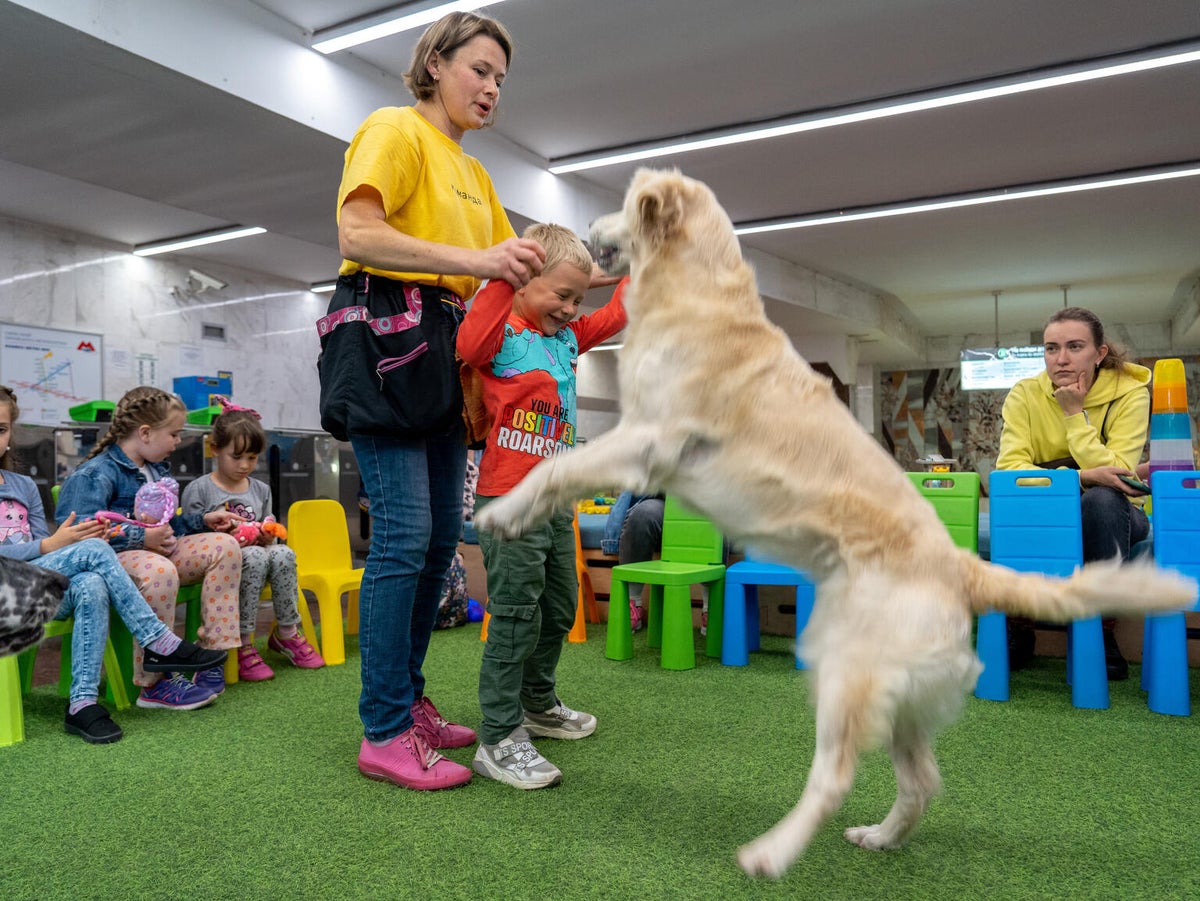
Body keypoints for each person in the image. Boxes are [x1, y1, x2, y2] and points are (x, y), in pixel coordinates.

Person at [324, 11, 548, 792]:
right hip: (390, 347)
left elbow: (512, 276)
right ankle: (383, 728)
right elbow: (358, 232)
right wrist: (477, 257)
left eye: (500, 80)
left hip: (448, 365)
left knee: (436, 545)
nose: (491, 89)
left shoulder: (477, 175)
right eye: (479, 70)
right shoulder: (394, 129)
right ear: (435, 61)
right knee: (406, 536)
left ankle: (407, 700)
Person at [458, 223, 627, 789]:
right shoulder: (502, 331)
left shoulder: (566, 339)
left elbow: (617, 314)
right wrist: (505, 278)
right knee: (513, 616)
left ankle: (537, 703)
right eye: (562, 295)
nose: (572, 307)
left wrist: (639, 267)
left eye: (579, 298)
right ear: (525, 280)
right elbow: (467, 345)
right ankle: (499, 736)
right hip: (510, 498)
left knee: (558, 607)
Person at [0, 385, 225, 742]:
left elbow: (43, 551)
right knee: (95, 550)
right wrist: (50, 543)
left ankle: (82, 703)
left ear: (11, 434)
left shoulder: (24, 485)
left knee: (91, 582)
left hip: (38, 587)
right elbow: (45, 545)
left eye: (2, 428)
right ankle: (158, 642)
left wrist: (50, 545)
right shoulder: (95, 473)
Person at [56, 386, 246, 707]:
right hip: (117, 565)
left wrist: (202, 521)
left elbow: (166, 529)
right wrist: (141, 539)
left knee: (225, 547)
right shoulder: (96, 473)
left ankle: (210, 659)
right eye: (173, 434)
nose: (177, 441)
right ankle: (154, 683)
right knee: (159, 570)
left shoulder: (155, 468)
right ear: (145, 433)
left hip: (160, 555)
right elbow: (77, 536)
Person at [996, 306, 1151, 680]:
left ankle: (1099, 630)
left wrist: (1073, 415)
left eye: (1074, 346)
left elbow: (1119, 473)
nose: (1061, 359)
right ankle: (1020, 622)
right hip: (1049, 508)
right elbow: (1009, 469)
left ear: (1099, 353)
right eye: (1051, 348)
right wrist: (1082, 477)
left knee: (1100, 500)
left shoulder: (1130, 395)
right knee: (1023, 503)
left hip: (1116, 512)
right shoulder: (1025, 395)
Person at [180, 400, 324, 681]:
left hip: (258, 557)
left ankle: (287, 633)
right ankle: (245, 643)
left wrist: (267, 533)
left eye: (252, 457)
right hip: (221, 566)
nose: (245, 465)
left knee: (284, 553)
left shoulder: (260, 489)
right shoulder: (200, 489)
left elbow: (267, 528)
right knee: (254, 556)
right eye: (237, 457)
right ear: (215, 449)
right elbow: (190, 539)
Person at [600, 492, 665, 631]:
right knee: (642, 514)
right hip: (666, 500)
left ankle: (711, 607)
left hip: (706, 501)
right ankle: (634, 603)